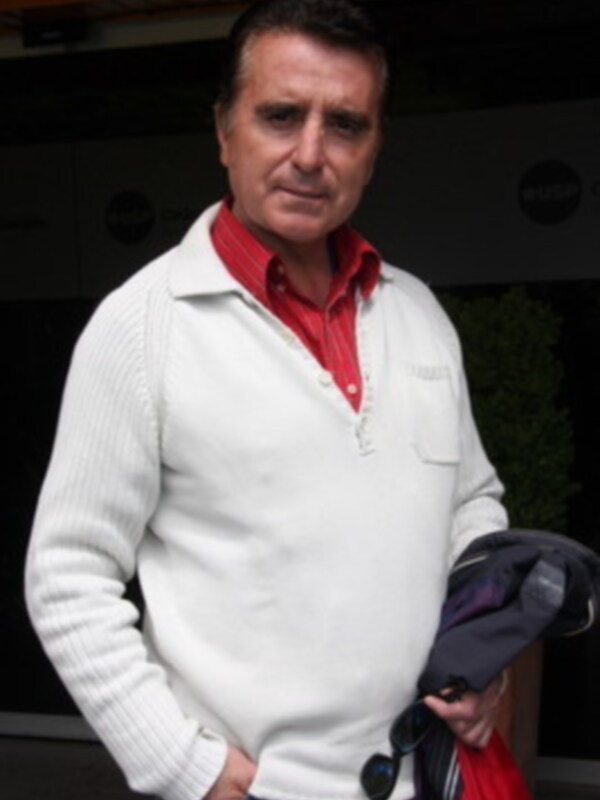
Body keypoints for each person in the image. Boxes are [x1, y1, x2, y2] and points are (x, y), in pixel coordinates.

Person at [25, 2, 509, 800]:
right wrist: (185, 767)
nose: (311, 154)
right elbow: (66, 573)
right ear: (224, 132)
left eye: (345, 124)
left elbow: (472, 506)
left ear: (375, 147)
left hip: (430, 774)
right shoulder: (141, 327)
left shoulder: (418, 312)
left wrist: (479, 649)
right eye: (281, 116)